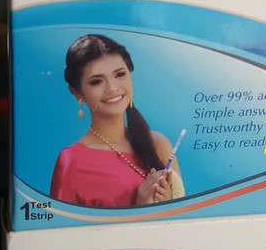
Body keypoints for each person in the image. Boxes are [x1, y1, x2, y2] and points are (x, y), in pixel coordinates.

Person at [50, 34, 185, 208]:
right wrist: (140, 210)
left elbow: (182, 219)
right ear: (77, 93)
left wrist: (165, 205)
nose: (112, 88)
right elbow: (60, 225)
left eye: (120, 74)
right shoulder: (71, 162)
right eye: (96, 82)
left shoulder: (158, 145)